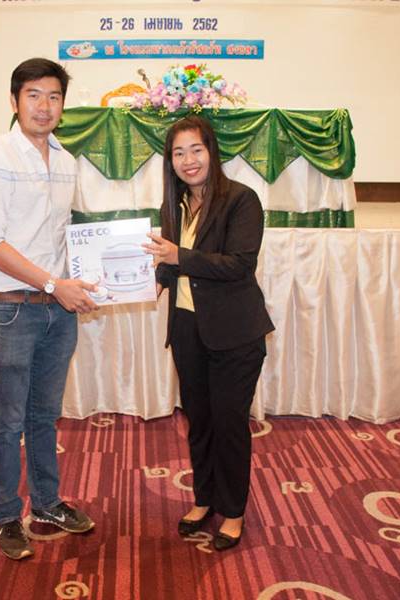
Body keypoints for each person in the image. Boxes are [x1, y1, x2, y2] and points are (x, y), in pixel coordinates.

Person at [0, 57, 98, 560]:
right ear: (14, 100)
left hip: (57, 310)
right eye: (34, 95)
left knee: (45, 415)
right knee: (9, 420)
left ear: (63, 104)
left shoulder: (66, 161)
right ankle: (6, 515)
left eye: (54, 97)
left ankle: (46, 503)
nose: (44, 106)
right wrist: (53, 283)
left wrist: (92, 275)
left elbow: (62, 237)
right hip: (11, 310)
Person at [144, 115, 274, 551]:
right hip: (188, 330)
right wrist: (149, 281)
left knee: (229, 424)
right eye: (178, 153)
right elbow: (170, 265)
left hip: (234, 334)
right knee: (198, 422)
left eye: (196, 150)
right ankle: (204, 499)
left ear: (212, 151)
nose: (188, 160)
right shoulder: (174, 204)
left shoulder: (241, 200)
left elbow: (239, 264)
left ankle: (233, 510)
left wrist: (178, 256)